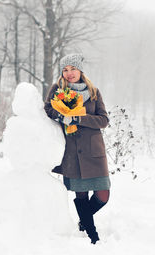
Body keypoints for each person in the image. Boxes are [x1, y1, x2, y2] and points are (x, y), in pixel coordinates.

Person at [44, 53, 110, 244]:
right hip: (72, 151)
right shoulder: (58, 90)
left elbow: (104, 120)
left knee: (103, 195)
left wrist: (78, 119)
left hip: (93, 150)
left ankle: (84, 221)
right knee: (81, 194)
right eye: (65, 70)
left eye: (72, 69)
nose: (69, 73)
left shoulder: (94, 92)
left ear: (80, 70)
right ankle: (92, 234)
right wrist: (60, 116)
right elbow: (48, 109)